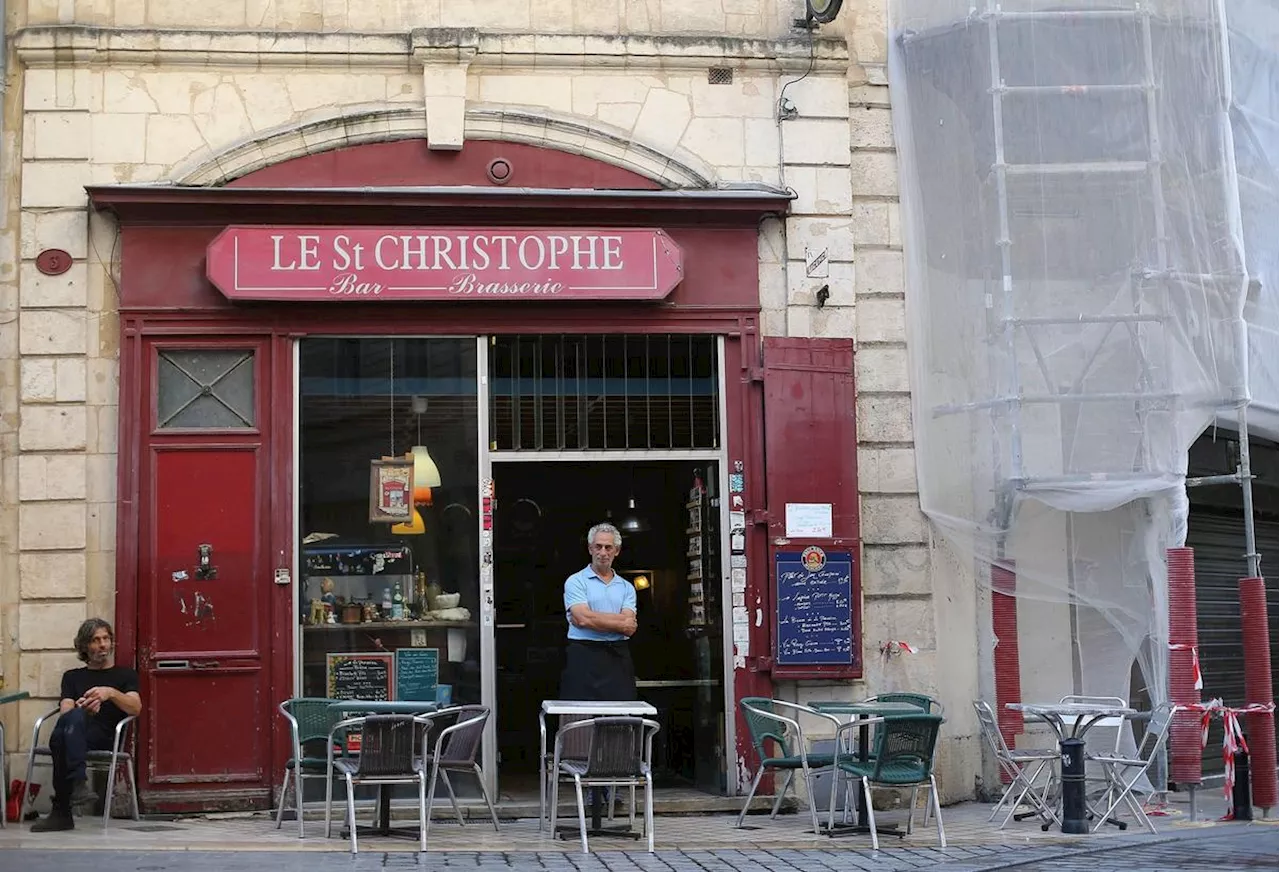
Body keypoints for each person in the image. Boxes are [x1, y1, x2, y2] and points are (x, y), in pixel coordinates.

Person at [31, 618, 142, 832]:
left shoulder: (125, 675)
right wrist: (83, 709)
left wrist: (110, 693)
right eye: (95, 640)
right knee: (69, 723)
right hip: (76, 732)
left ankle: (63, 810)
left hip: (105, 736)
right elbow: (65, 711)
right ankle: (78, 783)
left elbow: (135, 707)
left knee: (59, 738)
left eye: (106, 639)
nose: (103, 645)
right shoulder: (72, 677)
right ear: (84, 646)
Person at [560, 522, 638, 701]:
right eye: (598, 547)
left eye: (608, 547)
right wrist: (618, 621)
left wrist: (592, 617)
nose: (603, 553)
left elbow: (629, 627)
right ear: (590, 549)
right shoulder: (575, 581)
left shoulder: (627, 587)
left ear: (616, 551)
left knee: (619, 719)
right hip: (583, 655)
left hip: (617, 657)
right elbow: (582, 619)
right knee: (580, 720)